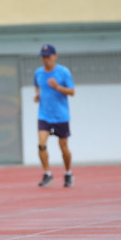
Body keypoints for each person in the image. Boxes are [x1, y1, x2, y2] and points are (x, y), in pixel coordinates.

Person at [33, 44, 75, 187]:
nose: (46, 60)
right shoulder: (38, 73)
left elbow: (72, 92)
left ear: (55, 56)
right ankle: (47, 174)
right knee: (41, 144)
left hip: (61, 116)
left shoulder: (63, 72)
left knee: (63, 147)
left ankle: (68, 173)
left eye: (48, 57)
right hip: (44, 115)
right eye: (43, 57)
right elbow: (37, 86)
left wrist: (57, 87)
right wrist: (37, 95)